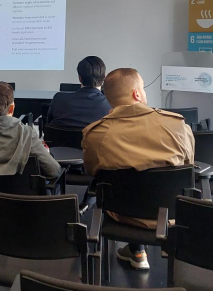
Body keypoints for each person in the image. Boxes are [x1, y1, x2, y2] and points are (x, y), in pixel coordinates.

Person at [82, 68, 194, 271]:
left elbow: (91, 171)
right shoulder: (177, 126)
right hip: (172, 215)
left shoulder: (96, 135)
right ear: (136, 94)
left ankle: (137, 251)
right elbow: (188, 166)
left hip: (121, 214)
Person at [47, 56, 112, 128]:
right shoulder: (110, 104)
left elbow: (48, 124)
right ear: (104, 77)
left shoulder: (59, 99)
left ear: (79, 78)